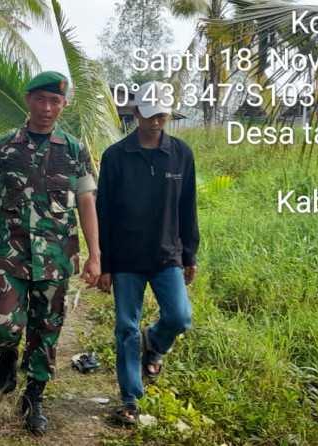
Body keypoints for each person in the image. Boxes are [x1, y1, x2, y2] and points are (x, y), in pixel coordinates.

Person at [0, 71, 100, 435]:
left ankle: (34, 396)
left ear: (63, 105)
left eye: (55, 101)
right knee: (3, 324)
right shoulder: (5, 147)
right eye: (40, 99)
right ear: (28, 100)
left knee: (46, 330)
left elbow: (86, 202)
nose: (46, 108)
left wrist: (95, 255)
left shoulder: (74, 149)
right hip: (13, 253)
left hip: (57, 257)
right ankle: (8, 353)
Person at [96, 81, 199, 425]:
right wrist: (105, 263)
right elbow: (103, 213)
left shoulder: (181, 153)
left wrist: (190, 254)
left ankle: (154, 341)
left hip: (167, 256)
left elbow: (188, 207)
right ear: (136, 112)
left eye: (162, 115)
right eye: (150, 114)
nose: (156, 121)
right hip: (126, 259)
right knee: (126, 327)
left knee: (180, 317)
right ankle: (130, 398)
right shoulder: (115, 156)